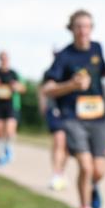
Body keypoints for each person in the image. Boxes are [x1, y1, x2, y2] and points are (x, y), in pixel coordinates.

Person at [42, 11, 105, 208]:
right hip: (73, 118)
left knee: (99, 170)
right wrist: (71, 86)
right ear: (71, 29)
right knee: (85, 165)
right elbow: (48, 89)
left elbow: (104, 73)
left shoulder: (97, 49)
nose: (83, 31)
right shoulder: (64, 56)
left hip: (98, 117)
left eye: (87, 26)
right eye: (79, 27)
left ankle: (92, 187)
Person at [40, 47, 69, 190]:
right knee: (59, 141)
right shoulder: (49, 73)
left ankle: (61, 172)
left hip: (70, 112)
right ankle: (56, 174)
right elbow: (42, 90)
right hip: (55, 109)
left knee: (67, 147)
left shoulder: (70, 70)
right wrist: (42, 106)